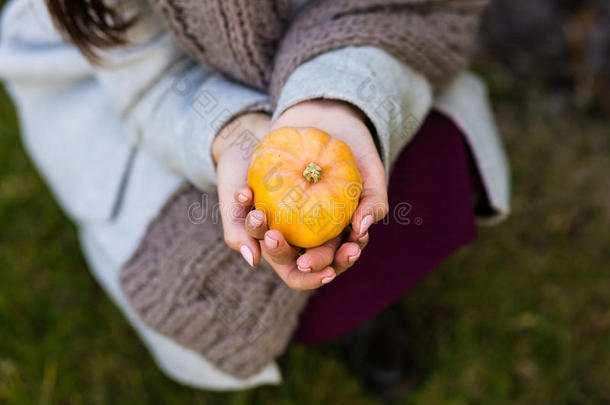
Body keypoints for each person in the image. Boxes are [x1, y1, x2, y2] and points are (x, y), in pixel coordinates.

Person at [0, 0, 510, 391]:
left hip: (364, 48)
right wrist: (231, 134)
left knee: (395, 199)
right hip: (170, 102)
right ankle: (314, 322)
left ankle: (367, 314)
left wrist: (340, 99)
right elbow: (155, 82)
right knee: (218, 275)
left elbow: (411, 8)